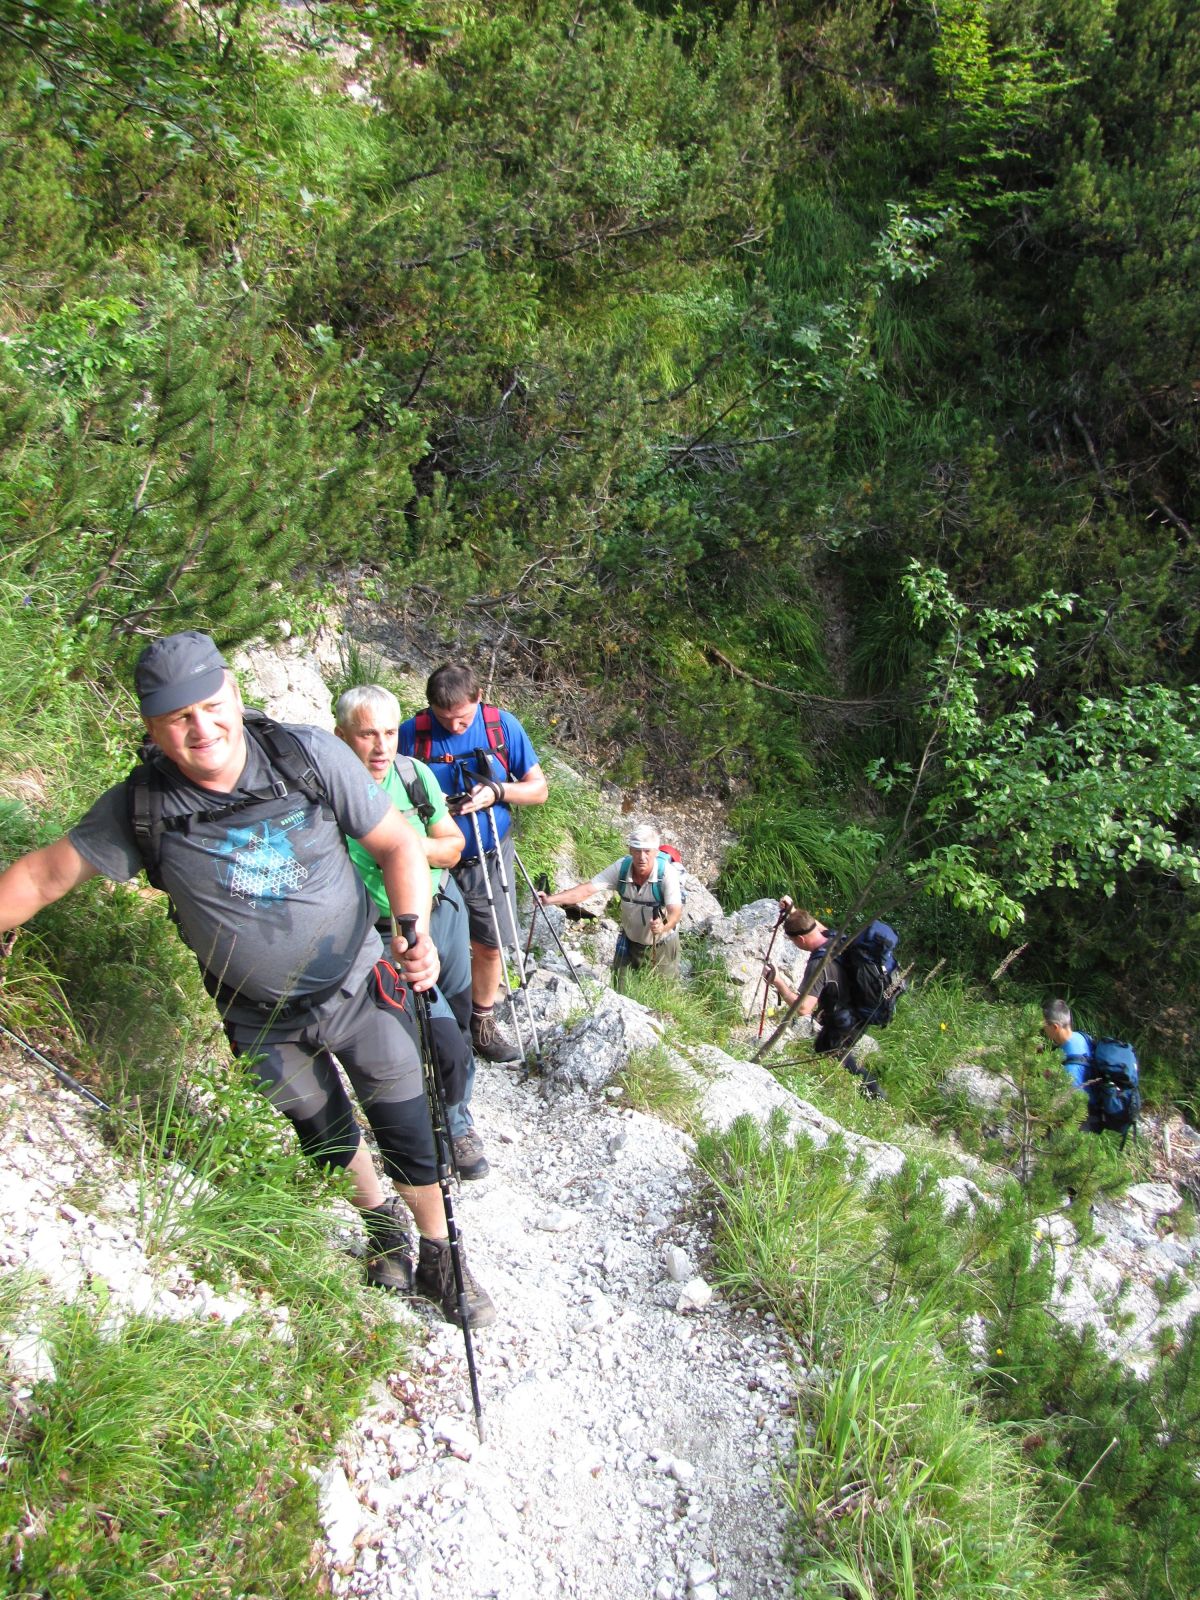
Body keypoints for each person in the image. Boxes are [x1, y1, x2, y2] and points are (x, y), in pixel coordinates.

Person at [0, 632, 495, 1326]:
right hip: (259, 1017)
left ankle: (440, 1252)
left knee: (407, 1123)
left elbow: (397, 844)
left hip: (360, 983)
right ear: (151, 726)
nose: (202, 728)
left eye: (210, 705)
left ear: (233, 693)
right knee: (324, 1133)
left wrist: (412, 929)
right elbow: (41, 877)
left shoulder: (305, 755)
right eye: (178, 717)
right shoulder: (141, 807)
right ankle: (381, 1226)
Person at [335, 683, 489, 1179]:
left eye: (388, 733)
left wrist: (398, 845)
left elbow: (453, 846)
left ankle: (457, 1119)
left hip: (444, 910)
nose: (381, 747)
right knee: (430, 1033)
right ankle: (436, 1127)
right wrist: (410, 846)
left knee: (458, 1020)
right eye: (367, 735)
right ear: (341, 736)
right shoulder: (326, 792)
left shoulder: (413, 775)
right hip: (383, 933)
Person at [398, 662, 548, 1063]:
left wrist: (497, 791)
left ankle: (481, 1021)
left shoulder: (501, 726)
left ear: (479, 698)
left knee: (490, 944)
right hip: (431, 861)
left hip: (488, 855)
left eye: (463, 718)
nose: (455, 726)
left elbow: (538, 790)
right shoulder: (412, 733)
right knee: (426, 944)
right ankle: (433, 1023)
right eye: (445, 718)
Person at [536, 823, 683, 990]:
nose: (642, 857)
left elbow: (675, 912)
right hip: (629, 941)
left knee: (661, 993)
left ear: (656, 852)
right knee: (620, 992)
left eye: (647, 851)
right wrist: (549, 900)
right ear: (630, 850)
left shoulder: (667, 874)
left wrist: (663, 927)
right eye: (637, 850)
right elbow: (586, 890)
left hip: (662, 945)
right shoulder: (622, 868)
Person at [763, 900, 884, 1099]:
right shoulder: (835, 937)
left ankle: (873, 1095)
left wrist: (778, 982)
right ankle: (854, 1090)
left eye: (793, 942)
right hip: (861, 1007)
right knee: (828, 1049)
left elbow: (804, 1008)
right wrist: (793, 911)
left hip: (846, 1019)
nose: (795, 945)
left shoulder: (819, 964)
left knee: (831, 1052)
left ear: (801, 939)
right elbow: (814, 926)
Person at [1042, 998, 1102, 1131]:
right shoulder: (1081, 1037)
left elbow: (1068, 1107)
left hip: (1083, 1120)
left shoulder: (1070, 1070)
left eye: (1044, 1025)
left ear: (1055, 1027)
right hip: (1091, 1106)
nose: (1043, 1028)